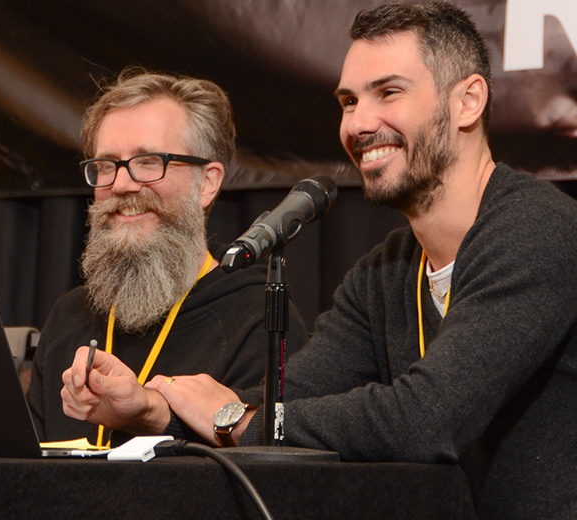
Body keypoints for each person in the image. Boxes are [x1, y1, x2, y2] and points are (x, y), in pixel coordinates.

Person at [65, 3, 577, 518]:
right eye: (349, 100)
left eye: (389, 92)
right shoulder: (385, 271)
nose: (358, 123)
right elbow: (284, 402)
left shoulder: (537, 230)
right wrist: (152, 410)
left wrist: (240, 421)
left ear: (468, 101)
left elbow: (428, 419)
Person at [27, 68, 307, 444]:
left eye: (148, 161)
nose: (122, 184)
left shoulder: (261, 319)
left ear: (207, 182)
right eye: (106, 166)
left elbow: (266, 471)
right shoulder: (68, 318)